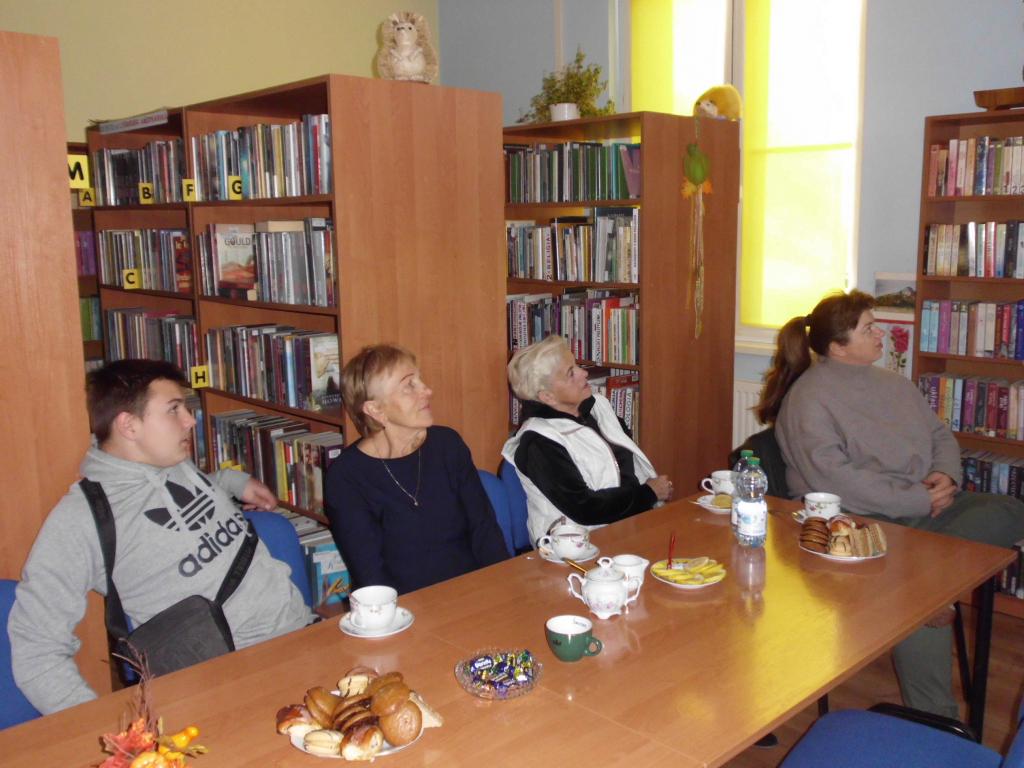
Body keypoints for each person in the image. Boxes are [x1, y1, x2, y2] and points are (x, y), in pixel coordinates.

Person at [759, 289, 1024, 719]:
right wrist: (916, 498)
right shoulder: (808, 399)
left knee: (1008, 511)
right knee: (915, 600)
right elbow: (837, 480)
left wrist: (946, 475)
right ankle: (935, 720)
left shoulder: (893, 384)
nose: (881, 333)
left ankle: (930, 585)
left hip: (924, 507)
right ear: (838, 346)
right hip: (857, 522)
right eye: (869, 328)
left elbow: (938, 435)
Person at [9, 359, 313, 715]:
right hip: (230, 682)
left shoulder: (171, 461)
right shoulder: (81, 519)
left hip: (302, 634)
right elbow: (36, 651)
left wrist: (230, 482)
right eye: (174, 410)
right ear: (129, 425)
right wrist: (106, 729)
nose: (190, 420)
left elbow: (174, 502)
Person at [324, 344, 508, 595]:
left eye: (420, 381)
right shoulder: (347, 476)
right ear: (375, 410)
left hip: (474, 592)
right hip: (403, 607)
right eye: (409, 385)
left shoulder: (447, 444)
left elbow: (485, 532)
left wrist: (503, 589)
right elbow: (370, 575)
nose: (427, 391)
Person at [502, 335, 673, 546]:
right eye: (571, 373)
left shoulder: (597, 407)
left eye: (577, 365)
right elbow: (585, 508)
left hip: (622, 526)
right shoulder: (539, 442)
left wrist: (643, 496)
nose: (584, 373)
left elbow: (624, 462)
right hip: (572, 548)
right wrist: (647, 493)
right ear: (548, 397)